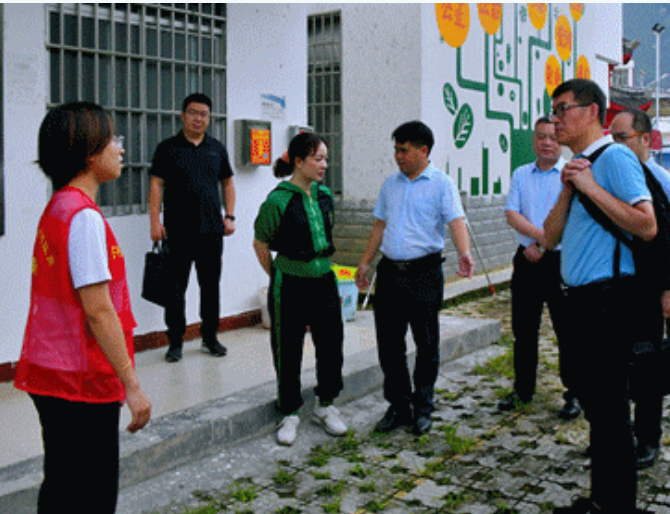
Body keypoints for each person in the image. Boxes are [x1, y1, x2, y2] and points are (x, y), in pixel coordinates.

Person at [15, 102, 152, 513]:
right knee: (90, 494)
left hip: (51, 370)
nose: (120, 148)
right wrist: (131, 384)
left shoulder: (58, 206)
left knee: (62, 485)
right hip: (81, 378)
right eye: (112, 139)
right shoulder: (84, 217)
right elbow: (98, 310)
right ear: (90, 153)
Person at [543, 79, 657, 514]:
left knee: (610, 413)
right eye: (553, 111)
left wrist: (589, 186)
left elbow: (646, 225)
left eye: (563, 109)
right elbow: (549, 237)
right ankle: (602, 500)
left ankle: (617, 505)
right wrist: (569, 189)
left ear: (592, 112)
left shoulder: (615, 158)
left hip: (608, 301)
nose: (555, 120)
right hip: (578, 302)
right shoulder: (580, 165)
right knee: (597, 408)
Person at [355, 121, 474, 436]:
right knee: (389, 344)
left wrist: (464, 253)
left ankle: (423, 406)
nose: (398, 156)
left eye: (404, 150)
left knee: (426, 342)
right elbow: (379, 226)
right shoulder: (390, 185)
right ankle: (399, 405)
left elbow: (456, 220)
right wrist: (365, 263)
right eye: (396, 150)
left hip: (424, 273)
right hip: (390, 273)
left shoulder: (441, 184)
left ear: (424, 150)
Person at [253, 132, 347, 445]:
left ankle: (326, 405)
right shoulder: (277, 200)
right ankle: (290, 411)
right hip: (289, 282)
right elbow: (260, 243)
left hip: (324, 280)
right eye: (317, 159)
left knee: (331, 343)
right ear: (298, 161)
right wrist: (278, 275)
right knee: (287, 347)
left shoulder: (325, 195)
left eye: (325, 159)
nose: (324, 165)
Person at [609, 107, 670, 470]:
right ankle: (616, 435)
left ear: (644, 140)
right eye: (612, 138)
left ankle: (648, 438)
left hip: (648, 288)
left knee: (648, 365)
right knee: (614, 365)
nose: (615, 145)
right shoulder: (612, 175)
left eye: (622, 138)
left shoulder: (663, 182)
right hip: (614, 286)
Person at [499, 116, 580, 419]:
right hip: (526, 260)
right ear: (534, 140)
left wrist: (545, 245)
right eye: (541, 136)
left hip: (561, 261)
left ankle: (574, 394)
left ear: (561, 142)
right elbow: (512, 213)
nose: (547, 142)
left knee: (567, 332)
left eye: (553, 137)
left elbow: (572, 219)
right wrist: (539, 238)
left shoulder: (572, 175)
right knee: (523, 329)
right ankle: (523, 390)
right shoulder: (521, 174)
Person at [149, 92, 236, 363]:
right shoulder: (167, 148)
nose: (198, 118)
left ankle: (210, 337)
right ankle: (175, 341)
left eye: (204, 114)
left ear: (209, 118)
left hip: (211, 232)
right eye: (193, 112)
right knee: (175, 290)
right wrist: (154, 222)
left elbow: (228, 183)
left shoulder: (217, 148)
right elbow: (156, 185)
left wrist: (230, 216)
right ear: (183, 116)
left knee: (210, 288)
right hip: (177, 232)